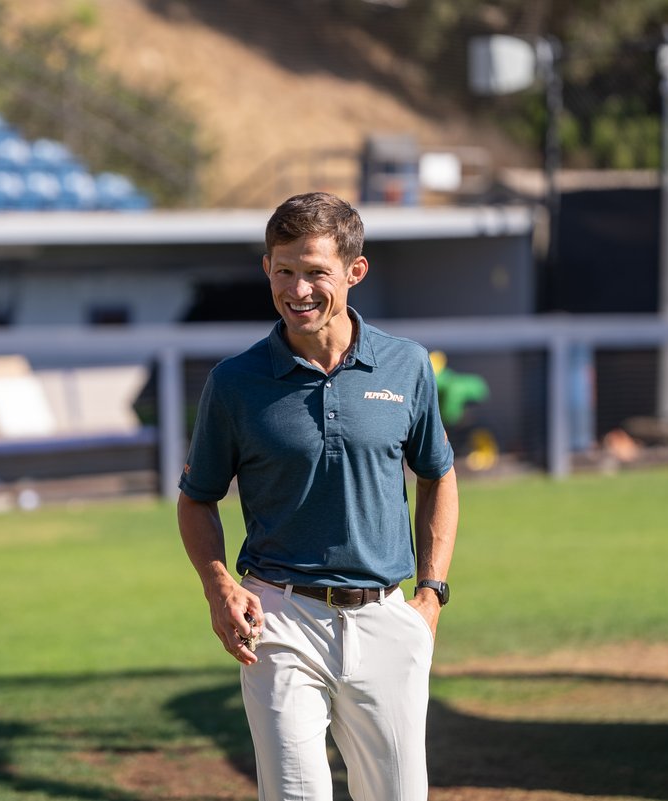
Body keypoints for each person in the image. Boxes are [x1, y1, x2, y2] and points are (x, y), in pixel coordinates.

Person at [177, 191, 458, 801]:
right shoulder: (234, 383)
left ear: (355, 272)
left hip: (387, 617)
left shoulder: (406, 365)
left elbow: (438, 474)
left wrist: (431, 595)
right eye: (284, 271)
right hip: (279, 619)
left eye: (314, 273)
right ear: (266, 269)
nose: (297, 290)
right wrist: (218, 583)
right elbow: (196, 498)